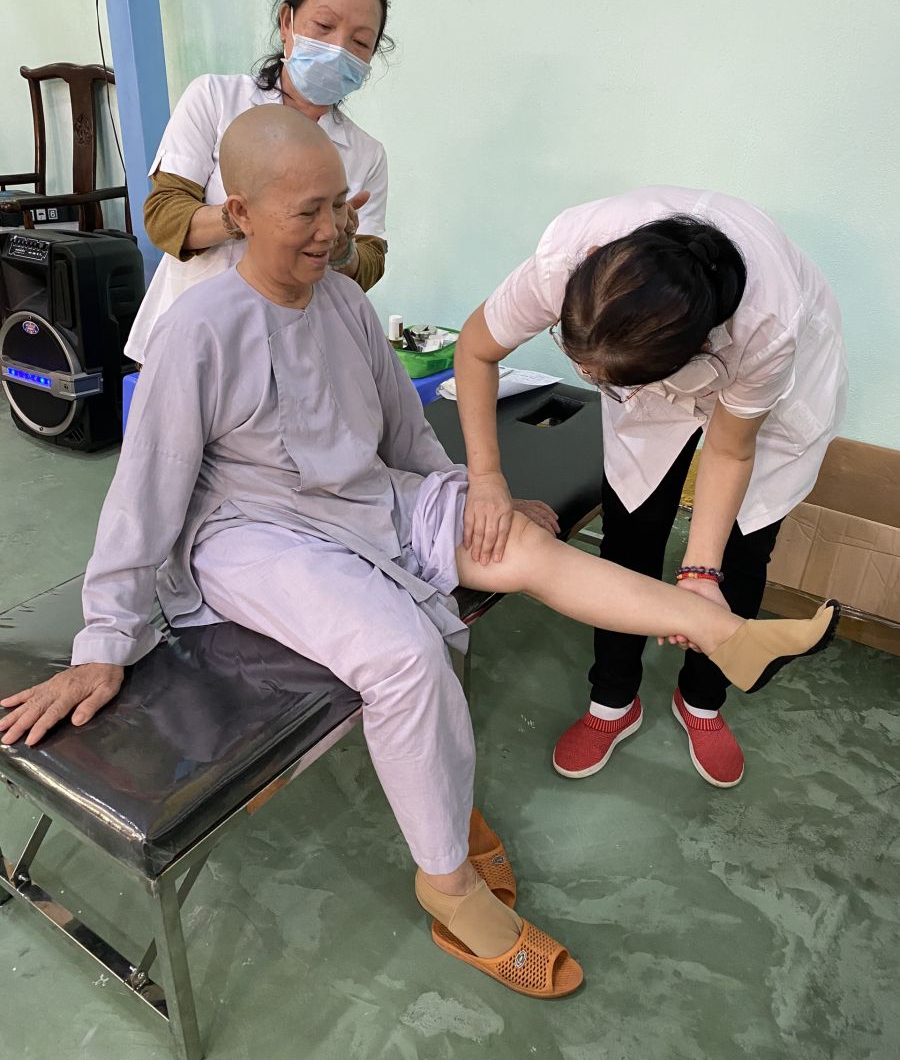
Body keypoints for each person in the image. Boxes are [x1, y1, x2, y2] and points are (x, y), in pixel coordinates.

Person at [0, 129, 840, 998]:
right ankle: (446, 884)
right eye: (310, 211)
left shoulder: (344, 302)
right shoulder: (199, 331)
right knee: (403, 654)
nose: (334, 229)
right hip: (251, 534)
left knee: (522, 545)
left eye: (341, 205)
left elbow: (405, 433)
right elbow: (143, 495)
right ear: (240, 213)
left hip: (369, 499)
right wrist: (104, 642)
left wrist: (473, 499)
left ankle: (721, 630)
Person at [454, 187, 848, 789]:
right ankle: (613, 699)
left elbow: (728, 448)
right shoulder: (570, 258)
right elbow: (476, 348)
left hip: (771, 400)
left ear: (697, 353)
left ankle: (703, 701)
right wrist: (485, 478)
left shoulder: (767, 327)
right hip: (644, 359)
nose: (583, 376)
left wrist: (700, 573)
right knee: (630, 535)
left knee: (742, 548)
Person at [125, 0, 392, 365]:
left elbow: (369, 263)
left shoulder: (366, 153)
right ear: (286, 22)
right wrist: (248, 218)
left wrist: (342, 247)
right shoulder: (215, 100)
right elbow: (164, 218)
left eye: (359, 43)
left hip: (293, 352)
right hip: (191, 344)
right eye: (324, 26)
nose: (338, 49)